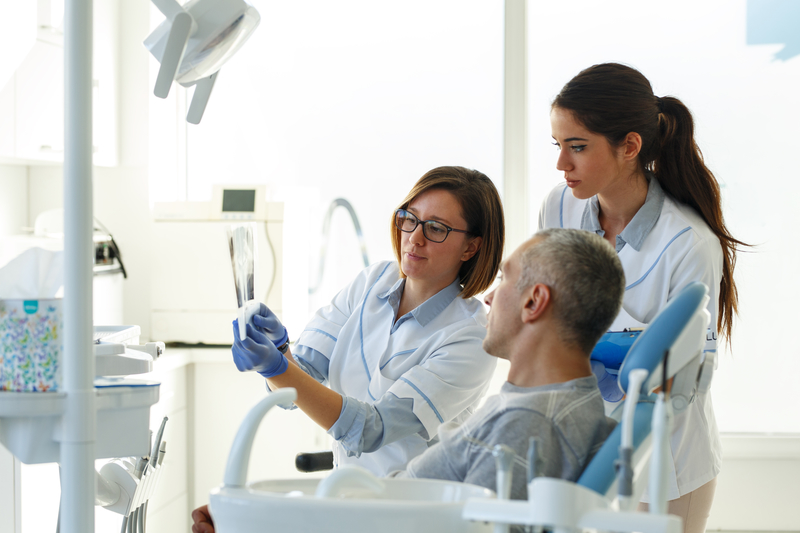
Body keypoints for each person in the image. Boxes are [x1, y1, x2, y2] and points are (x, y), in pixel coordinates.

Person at [192, 228, 624, 533]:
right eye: (409, 220)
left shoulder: (525, 427)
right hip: (372, 504)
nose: (490, 296)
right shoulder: (542, 406)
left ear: (534, 301)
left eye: (505, 278)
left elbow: (380, 452)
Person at [540, 62, 747, 533]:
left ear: (629, 146)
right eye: (558, 146)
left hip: (665, 466)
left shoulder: (687, 244)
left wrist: (617, 364)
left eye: (577, 147)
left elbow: (690, 381)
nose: (561, 164)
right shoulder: (559, 205)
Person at [231, 166, 505, 476]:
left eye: (436, 228)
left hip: (416, 509)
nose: (414, 238)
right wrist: (280, 350)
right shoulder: (372, 281)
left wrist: (277, 368)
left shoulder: (470, 337)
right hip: (349, 494)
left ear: (471, 247)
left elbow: (370, 429)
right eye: (410, 219)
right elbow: (292, 392)